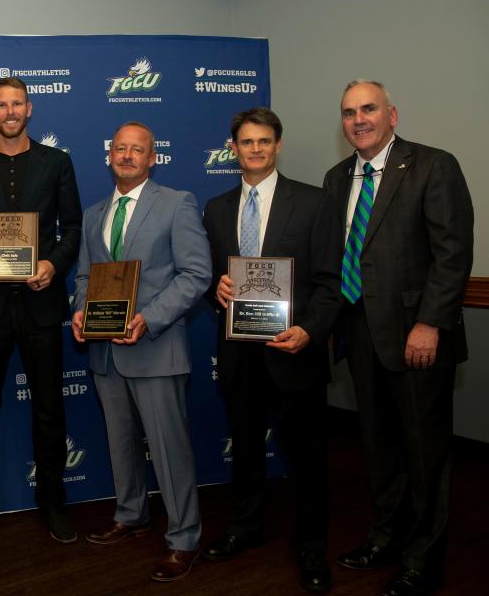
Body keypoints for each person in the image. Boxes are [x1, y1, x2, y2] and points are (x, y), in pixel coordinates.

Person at [324, 80, 473, 596]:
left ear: (392, 114)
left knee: (424, 454)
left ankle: (423, 562)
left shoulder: (433, 165)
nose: (358, 119)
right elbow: (334, 256)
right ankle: (386, 538)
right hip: (359, 333)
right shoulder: (338, 176)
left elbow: (452, 252)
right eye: (348, 112)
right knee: (380, 449)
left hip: (416, 336)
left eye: (368, 109)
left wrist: (431, 322)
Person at [201, 108, 343, 593]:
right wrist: (214, 291)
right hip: (240, 356)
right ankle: (245, 527)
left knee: (306, 458)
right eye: (246, 141)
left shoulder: (314, 202)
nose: (256, 149)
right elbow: (208, 282)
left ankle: (310, 546)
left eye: (264, 141)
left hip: (293, 352)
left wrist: (310, 330)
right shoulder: (216, 208)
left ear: (277, 145)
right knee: (245, 451)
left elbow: (329, 282)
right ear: (233, 148)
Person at [72, 122, 211, 583]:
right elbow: (85, 279)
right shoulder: (94, 214)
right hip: (105, 353)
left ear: (153, 158)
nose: (127, 156)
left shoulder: (176, 203)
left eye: (138, 150)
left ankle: (184, 537)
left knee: (169, 450)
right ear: (108, 155)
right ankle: (131, 514)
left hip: (154, 347)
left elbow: (195, 275)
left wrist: (149, 318)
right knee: (121, 443)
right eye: (120, 149)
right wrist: (79, 312)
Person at [0, 77, 83, 548]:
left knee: (50, 409)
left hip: (40, 305)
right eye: (0, 105)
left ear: (29, 109)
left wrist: (53, 263)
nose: (9, 112)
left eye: (16, 104)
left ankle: (54, 504)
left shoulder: (58, 163)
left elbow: (72, 227)